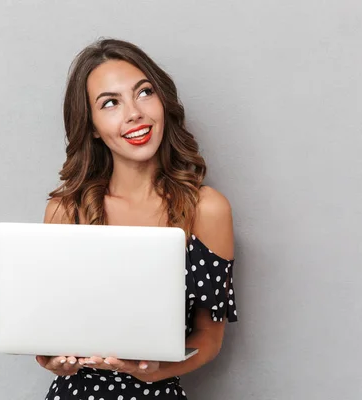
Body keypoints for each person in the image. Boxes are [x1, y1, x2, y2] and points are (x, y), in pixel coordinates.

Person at [35, 38, 238, 400]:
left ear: (162, 102)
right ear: (93, 126)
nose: (134, 113)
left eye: (143, 93)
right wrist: (49, 360)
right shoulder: (68, 211)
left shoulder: (206, 209)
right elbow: (44, 339)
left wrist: (157, 373)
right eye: (110, 103)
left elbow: (209, 339)